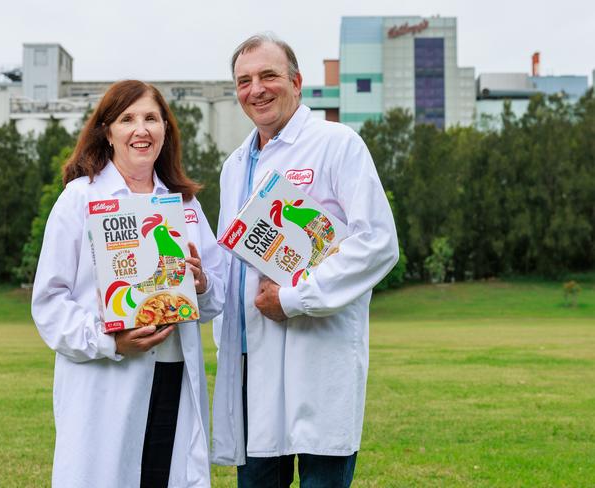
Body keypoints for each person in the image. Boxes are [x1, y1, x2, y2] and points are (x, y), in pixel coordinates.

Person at [211, 34, 399, 487]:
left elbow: (377, 242)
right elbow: (230, 261)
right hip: (250, 364)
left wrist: (294, 298)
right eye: (244, 80)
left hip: (318, 356)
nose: (256, 88)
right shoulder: (235, 165)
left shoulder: (337, 144)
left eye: (268, 75)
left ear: (297, 82)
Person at [32, 80, 224, 488]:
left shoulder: (184, 205)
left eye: (152, 118)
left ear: (166, 131)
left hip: (173, 378)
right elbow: (49, 303)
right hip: (106, 380)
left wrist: (202, 282)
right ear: (108, 131)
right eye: (128, 119)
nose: (142, 129)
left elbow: (215, 296)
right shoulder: (79, 199)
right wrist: (109, 342)